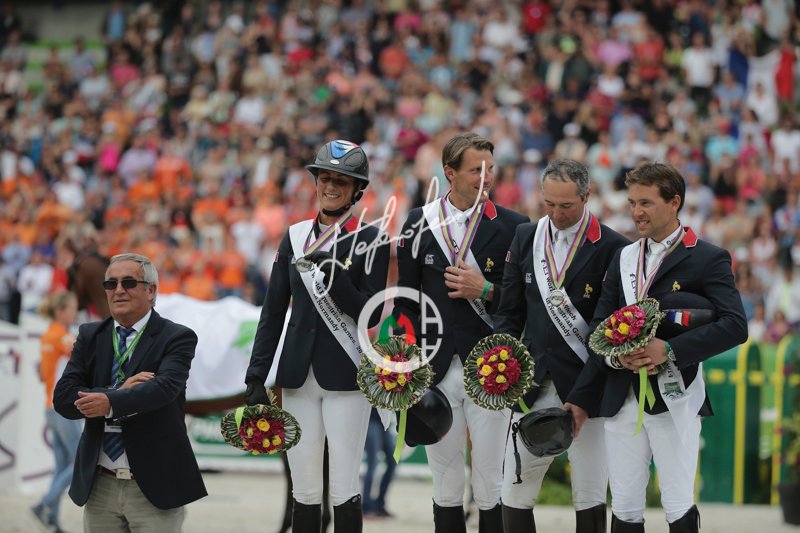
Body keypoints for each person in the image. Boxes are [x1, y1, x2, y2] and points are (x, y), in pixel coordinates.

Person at [568, 163, 748, 532]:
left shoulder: (707, 257)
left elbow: (735, 326)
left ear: (674, 202)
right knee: (624, 505)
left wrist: (669, 350)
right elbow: (598, 329)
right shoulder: (624, 257)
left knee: (677, 502)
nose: (636, 212)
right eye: (633, 203)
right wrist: (617, 357)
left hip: (675, 395)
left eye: (646, 203)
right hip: (621, 397)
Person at [244, 139, 390, 532]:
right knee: (304, 490)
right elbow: (273, 310)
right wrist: (256, 374)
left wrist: (338, 281)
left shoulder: (373, 239)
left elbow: (372, 312)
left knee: (343, 487)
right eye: (325, 178)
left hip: (346, 376)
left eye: (341, 181)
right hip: (296, 378)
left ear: (357, 190)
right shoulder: (294, 237)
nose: (331, 186)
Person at [393, 132, 529, 532]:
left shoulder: (515, 226)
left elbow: (524, 303)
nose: (486, 178)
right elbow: (406, 300)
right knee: (446, 481)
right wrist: (403, 360)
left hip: (492, 368)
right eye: (476, 170)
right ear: (449, 173)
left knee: (490, 482)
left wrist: (485, 290)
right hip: (434, 368)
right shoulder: (419, 222)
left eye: (491, 169)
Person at [493, 159, 629, 532]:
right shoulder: (526, 236)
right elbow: (509, 312)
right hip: (533, 382)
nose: (556, 214)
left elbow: (610, 332)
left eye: (566, 205)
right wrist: (503, 362)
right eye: (549, 204)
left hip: (589, 386)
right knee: (514, 489)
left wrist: (585, 395)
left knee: (589, 492)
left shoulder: (615, 247)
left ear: (587, 196)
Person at [53, 253, 207, 532]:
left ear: (151, 290)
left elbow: (162, 389)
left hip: (154, 484)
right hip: (100, 484)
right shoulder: (90, 335)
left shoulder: (177, 336)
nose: (119, 290)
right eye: (110, 284)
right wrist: (115, 393)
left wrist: (108, 401)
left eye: (129, 282)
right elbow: (63, 398)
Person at [31, 291, 81, 533]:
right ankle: (44, 504)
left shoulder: (47, 335)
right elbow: (84, 354)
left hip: (49, 407)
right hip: (62, 409)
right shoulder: (62, 337)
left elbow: (42, 375)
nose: (75, 312)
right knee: (80, 459)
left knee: (62, 466)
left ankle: (52, 520)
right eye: (72, 308)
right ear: (61, 311)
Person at [362, 408, 396, 518]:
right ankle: (366, 506)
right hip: (371, 420)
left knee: (393, 462)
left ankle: (379, 504)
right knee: (372, 464)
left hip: (384, 422)